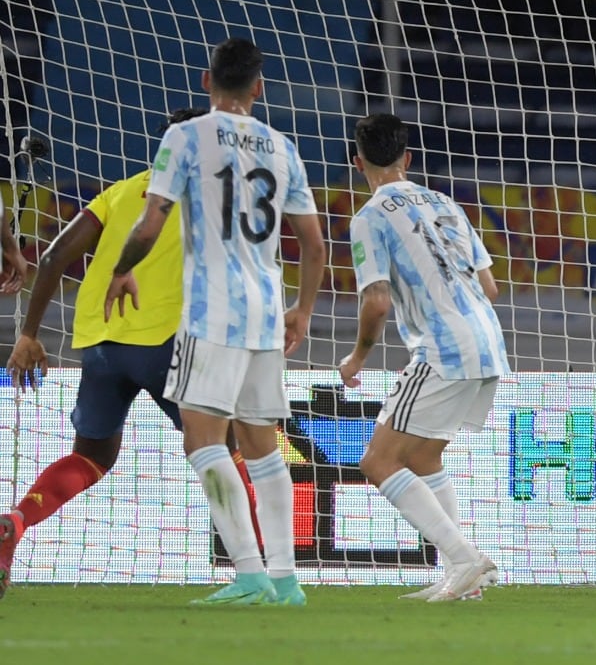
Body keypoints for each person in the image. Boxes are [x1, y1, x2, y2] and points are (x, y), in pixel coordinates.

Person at [0, 108, 265, 598]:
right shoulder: (217, 195)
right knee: (224, 450)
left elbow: (54, 257)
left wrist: (29, 334)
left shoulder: (121, 192)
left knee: (90, 457)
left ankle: (16, 520)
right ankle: (257, 568)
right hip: (170, 343)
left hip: (103, 346)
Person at [104, 38, 328, 607]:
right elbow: (314, 243)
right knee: (263, 448)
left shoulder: (185, 136)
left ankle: (250, 574)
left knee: (203, 441)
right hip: (267, 312)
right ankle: (287, 581)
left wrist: (121, 270)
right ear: (259, 87)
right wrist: (302, 309)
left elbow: (151, 223)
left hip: (212, 311)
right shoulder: (283, 146)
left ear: (207, 81)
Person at [338, 113, 506, 602]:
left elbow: (376, 301)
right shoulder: (445, 203)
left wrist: (357, 357)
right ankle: (463, 580)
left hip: (443, 347)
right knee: (424, 456)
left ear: (358, 162)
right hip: (488, 341)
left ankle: (466, 559)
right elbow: (490, 287)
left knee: (378, 461)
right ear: (407, 158)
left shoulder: (369, 218)